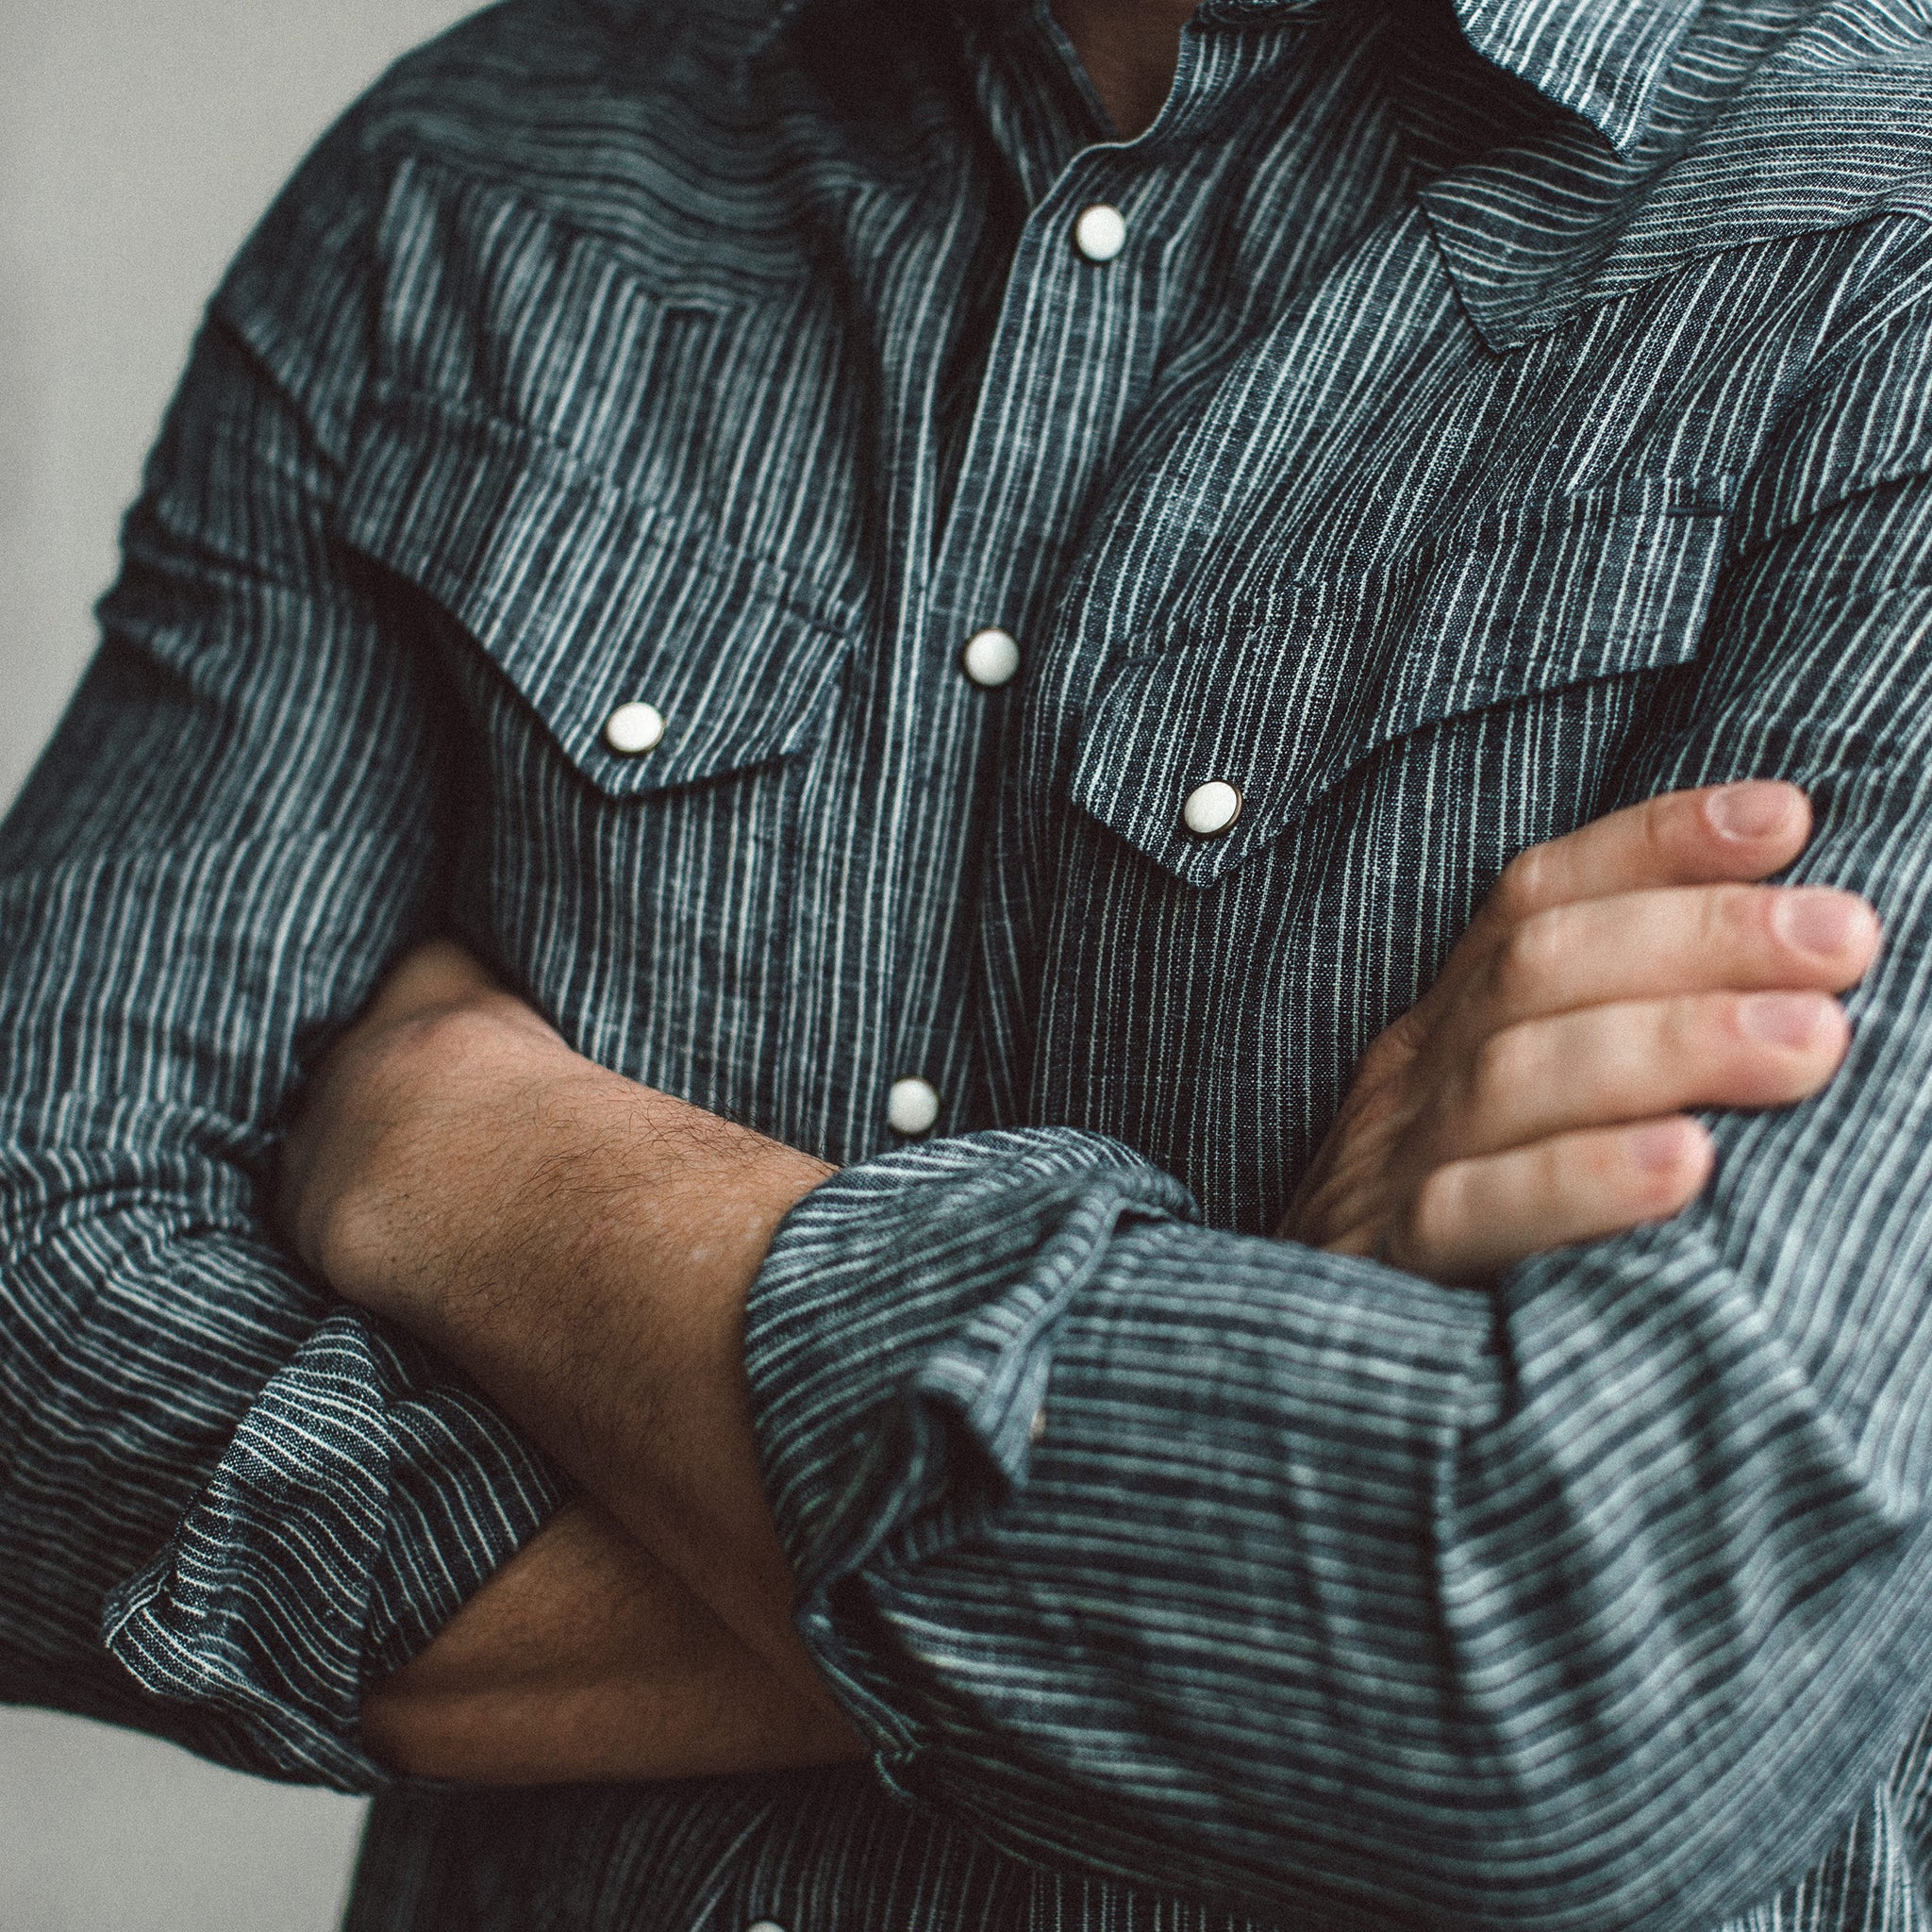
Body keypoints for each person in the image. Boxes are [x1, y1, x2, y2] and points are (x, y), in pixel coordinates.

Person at [2, 0, 1931, 1924]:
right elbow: (28, 1338)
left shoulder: (1882, 234)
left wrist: (476, 1161)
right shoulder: (472, 180)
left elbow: (1600, 1681)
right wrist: (1228, 1509)